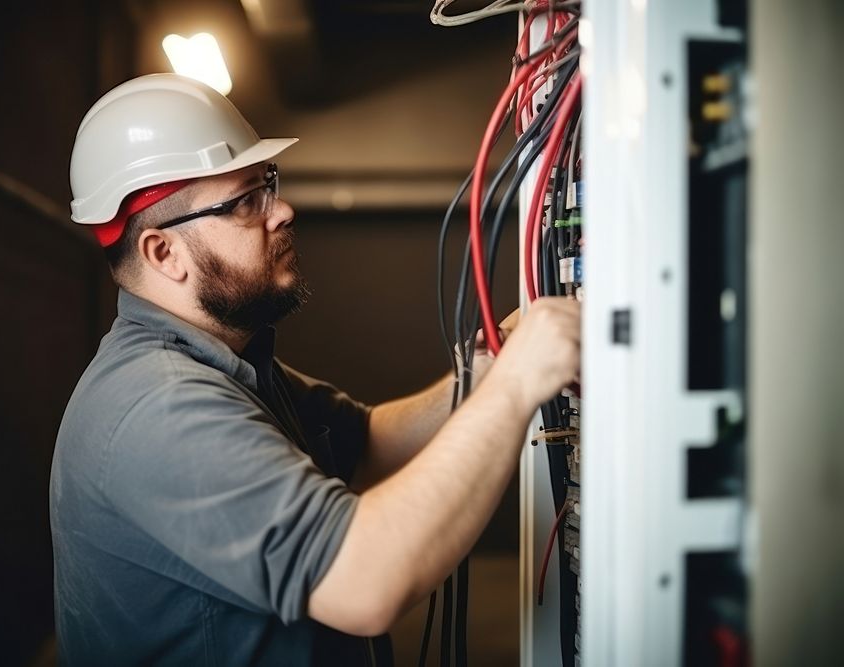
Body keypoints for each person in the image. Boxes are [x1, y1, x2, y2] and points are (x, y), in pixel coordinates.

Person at [50, 73, 580, 666]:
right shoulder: (159, 406)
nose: (282, 212)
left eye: (267, 185)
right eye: (244, 201)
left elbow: (371, 441)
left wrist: (490, 362)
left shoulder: (229, 365)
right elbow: (365, 582)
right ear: (163, 253)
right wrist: (516, 386)